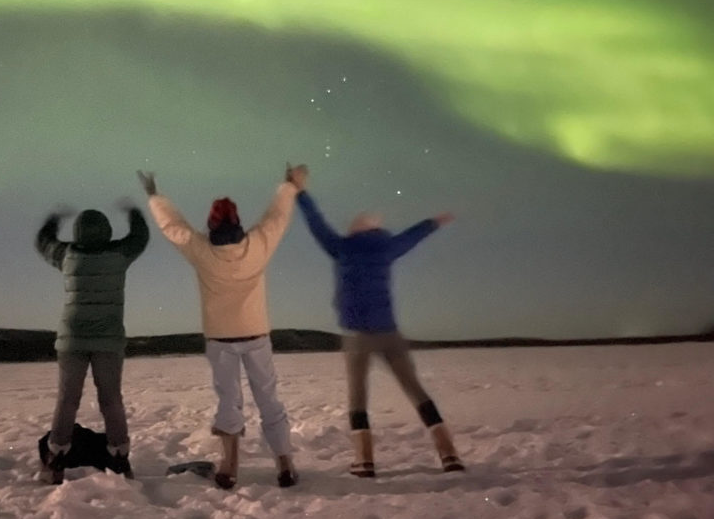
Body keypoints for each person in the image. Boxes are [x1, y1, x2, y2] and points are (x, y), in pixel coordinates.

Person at [287, 164, 464, 476]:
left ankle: (364, 460)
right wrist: (434, 222)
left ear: (358, 229)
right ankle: (448, 453)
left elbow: (316, 223)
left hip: (356, 335)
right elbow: (413, 235)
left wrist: (300, 191)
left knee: (357, 397)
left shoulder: (341, 247)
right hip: (388, 332)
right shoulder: (386, 247)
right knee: (415, 390)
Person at [137, 167, 300, 489]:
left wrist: (154, 196)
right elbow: (277, 216)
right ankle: (285, 464)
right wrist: (287, 186)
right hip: (256, 336)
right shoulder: (257, 245)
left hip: (221, 339)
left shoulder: (202, 251)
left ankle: (230, 465)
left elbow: (174, 227)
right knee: (268, 399)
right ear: (237, 222)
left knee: (229, 401)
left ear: (211, 224)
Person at [34, 201, 149, 484]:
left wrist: (52, 221)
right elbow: (140, 238)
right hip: (108, 341)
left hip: (71, 340)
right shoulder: (119, 253)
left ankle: (56, 457)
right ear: (108, 231)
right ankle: (120, 457)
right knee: (111, 400)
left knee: (67, 400)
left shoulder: (68, 255)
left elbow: (44, 243)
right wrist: (134, 214)